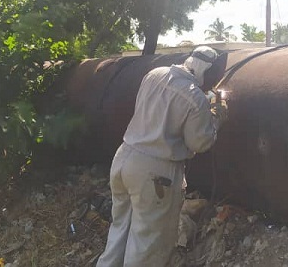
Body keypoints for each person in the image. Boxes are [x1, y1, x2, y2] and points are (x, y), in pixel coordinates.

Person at [96, 46, 227, 267]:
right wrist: (217, 116)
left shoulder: (155, 74)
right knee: (147, 245)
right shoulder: (195, 98)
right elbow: (200, 142)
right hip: (155, 172)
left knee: (120, 231)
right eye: (213, 77)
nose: (213, 83)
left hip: (125, 158)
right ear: (206, 70)